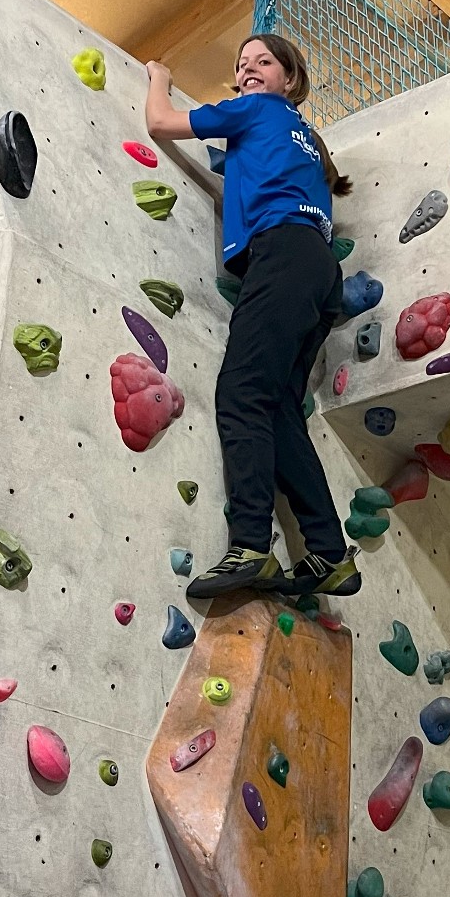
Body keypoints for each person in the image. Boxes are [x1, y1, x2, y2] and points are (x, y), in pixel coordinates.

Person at [143, 32, 361, 602]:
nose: (248, 70)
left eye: (263, 61)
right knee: (280, 410)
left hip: (282, 254)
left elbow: (160, 123)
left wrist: (159, 77)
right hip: (320, 271)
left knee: (241, 394)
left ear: (290, 79)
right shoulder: (304, 138)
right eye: (241, 65)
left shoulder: (256, 110)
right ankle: (330, 555)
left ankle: (250, 546)